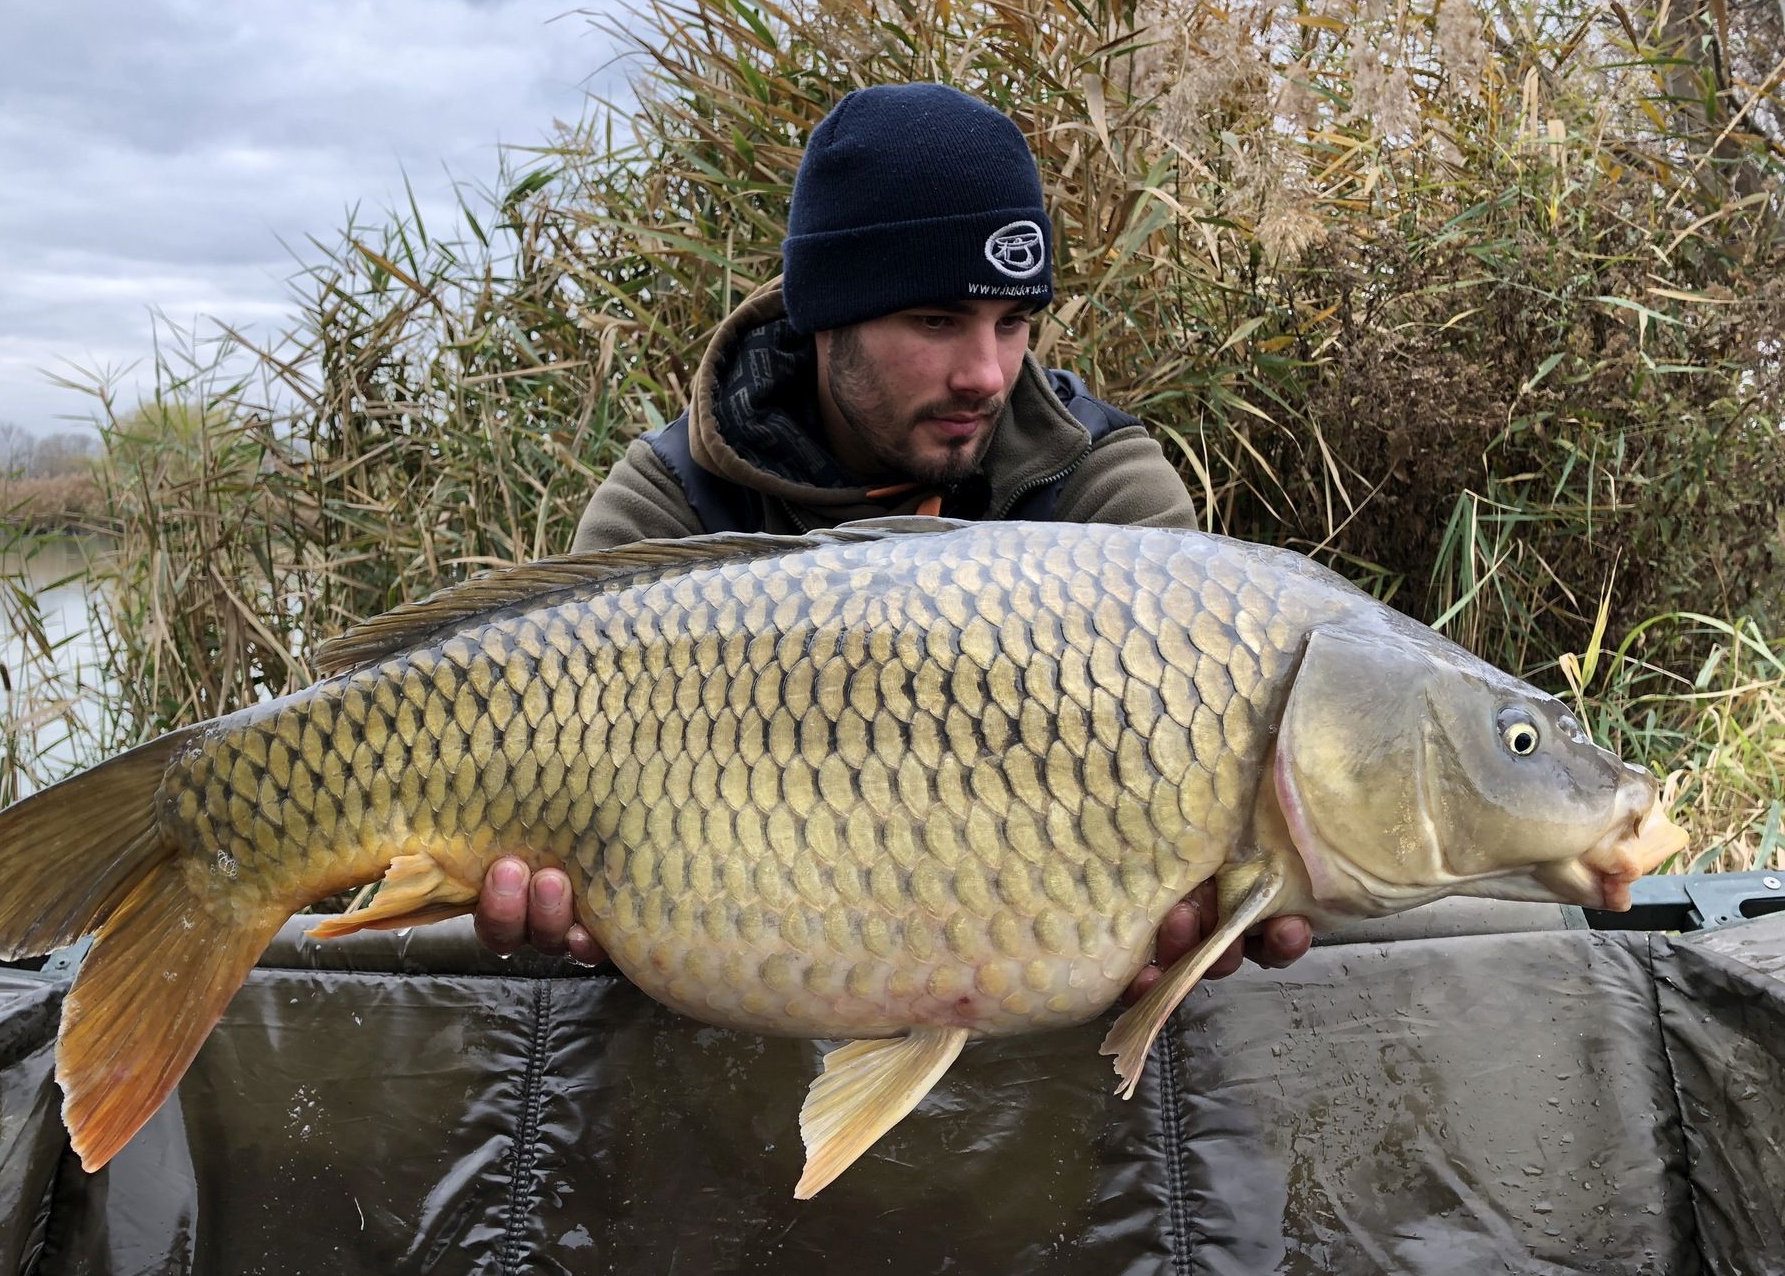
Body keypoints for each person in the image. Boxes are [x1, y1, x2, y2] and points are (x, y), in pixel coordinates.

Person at [470, 83, 1313, 999]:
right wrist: (556, 906)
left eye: (1015, 322)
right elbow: (539, 832)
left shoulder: (1109, 498)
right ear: (828, 317)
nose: (985, 374)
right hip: (732, 1011)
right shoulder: (670, 502)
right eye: (937, 321)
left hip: (1035, 1026)